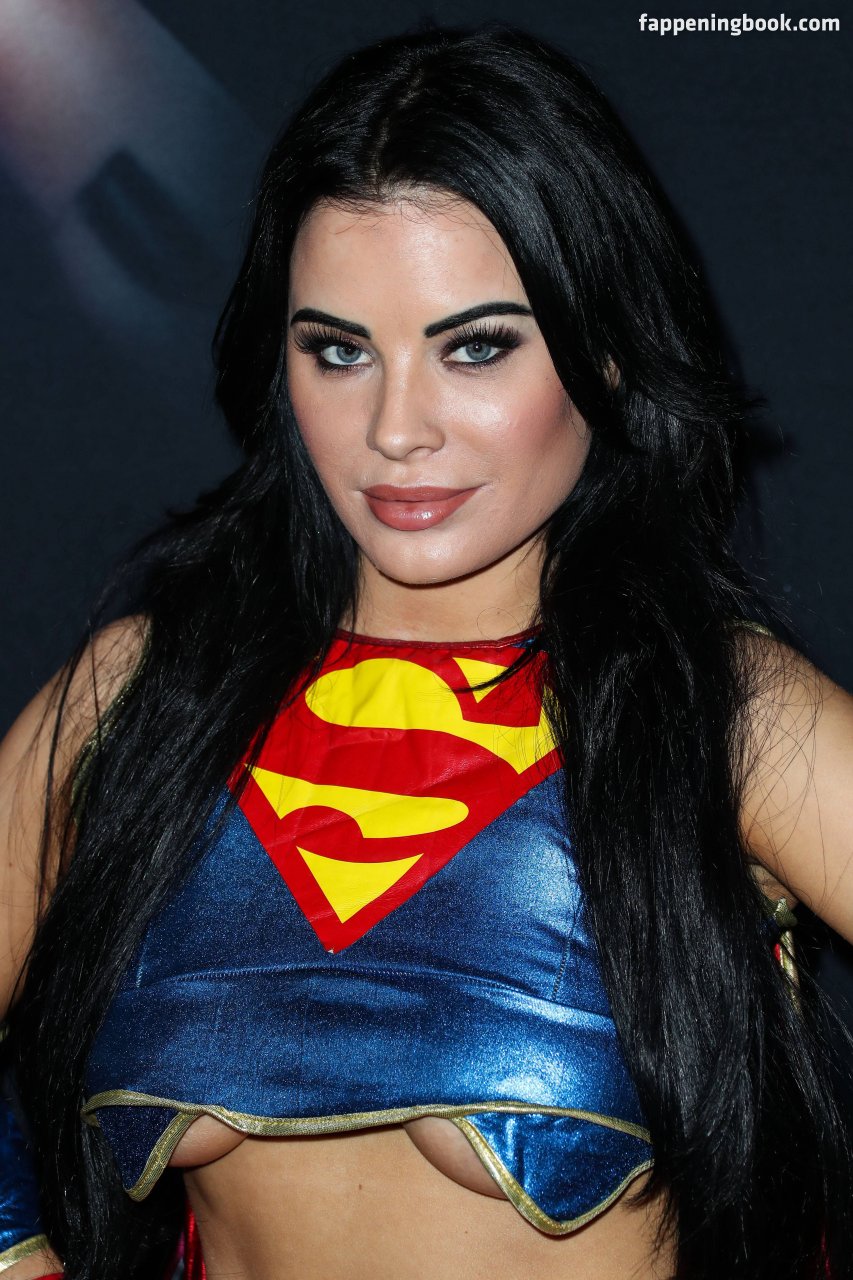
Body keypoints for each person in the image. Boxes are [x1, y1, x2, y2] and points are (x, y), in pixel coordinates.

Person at [0, 21, 851, 1280]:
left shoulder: (719, 709)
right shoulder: (143, 691)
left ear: (605, 348)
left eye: (476, 346)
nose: (396, 427)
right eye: (338, 350)